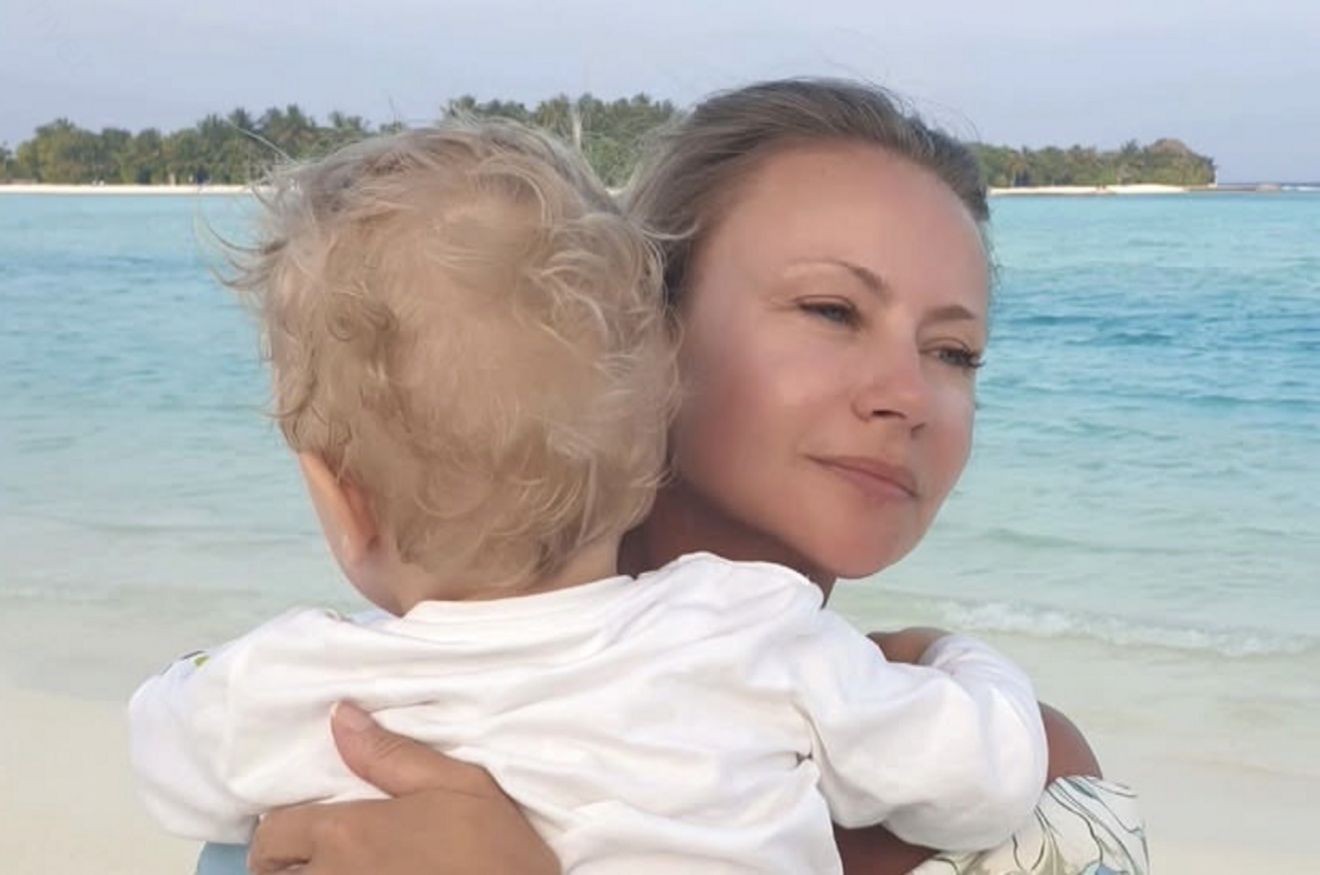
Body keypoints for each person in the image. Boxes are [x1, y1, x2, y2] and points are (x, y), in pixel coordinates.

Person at [204, 80, 1149, 875]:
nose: (908, 395)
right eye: (832, 309)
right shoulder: (364, 751)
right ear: (644, 329)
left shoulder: (1035, 792)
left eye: (954, 352)